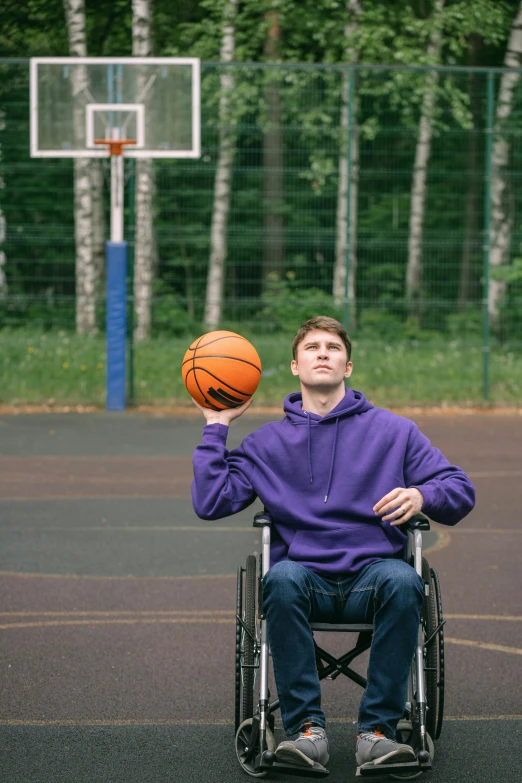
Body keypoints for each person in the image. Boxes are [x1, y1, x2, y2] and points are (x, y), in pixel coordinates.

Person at [191, 315, 475, 774]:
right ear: (294, 366)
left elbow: (460, 490)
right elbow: (211, 501)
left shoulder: (394, 432)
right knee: (279, 578)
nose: (322, 353)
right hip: (303, 577)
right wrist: (216, 425)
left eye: (333, 347)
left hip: (374, 575)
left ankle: (377, 733)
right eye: (312, 347)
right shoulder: (266, 443)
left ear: (347, 367)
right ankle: (306, 733)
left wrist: (422, 494)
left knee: (405, 581)